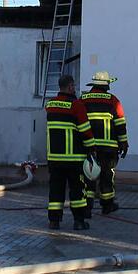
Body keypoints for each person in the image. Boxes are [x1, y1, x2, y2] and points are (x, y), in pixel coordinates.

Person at [45, 74, 96, 230]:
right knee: (77, 192)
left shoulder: (50, 104)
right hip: (74, 159)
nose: (75, 88)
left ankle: (54, 221)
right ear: (69, 87)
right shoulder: (76, 105)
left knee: (55, 191)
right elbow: (85, 131)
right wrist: (92, 148)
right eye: (73, 86)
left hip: (54, 159)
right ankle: (79, 221)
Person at [81, 70, 128, 215]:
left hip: (89, 147)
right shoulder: (113, 101)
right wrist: (124, 143)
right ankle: (107, 205)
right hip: (109, 149)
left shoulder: (83, 100)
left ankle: (87, 207)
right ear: (106, 85)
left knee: (88, 176)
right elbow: (120, 125)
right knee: (107, 176)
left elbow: (78, 122)